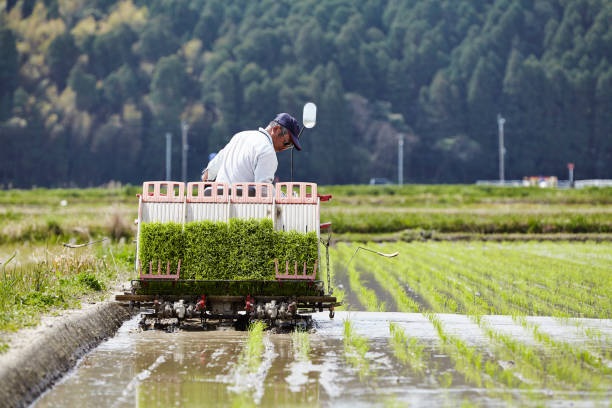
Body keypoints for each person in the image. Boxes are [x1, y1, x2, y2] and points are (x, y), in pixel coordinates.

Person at [201, 113, 301, 185]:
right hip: (241, 209)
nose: (285, 148)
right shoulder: (267, 152)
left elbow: (208, 174)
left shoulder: (239, 136)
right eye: (286, 143)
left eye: (289, 146)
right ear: (276, 129)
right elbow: (263, 192)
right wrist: (284, 197)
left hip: (216, 204)